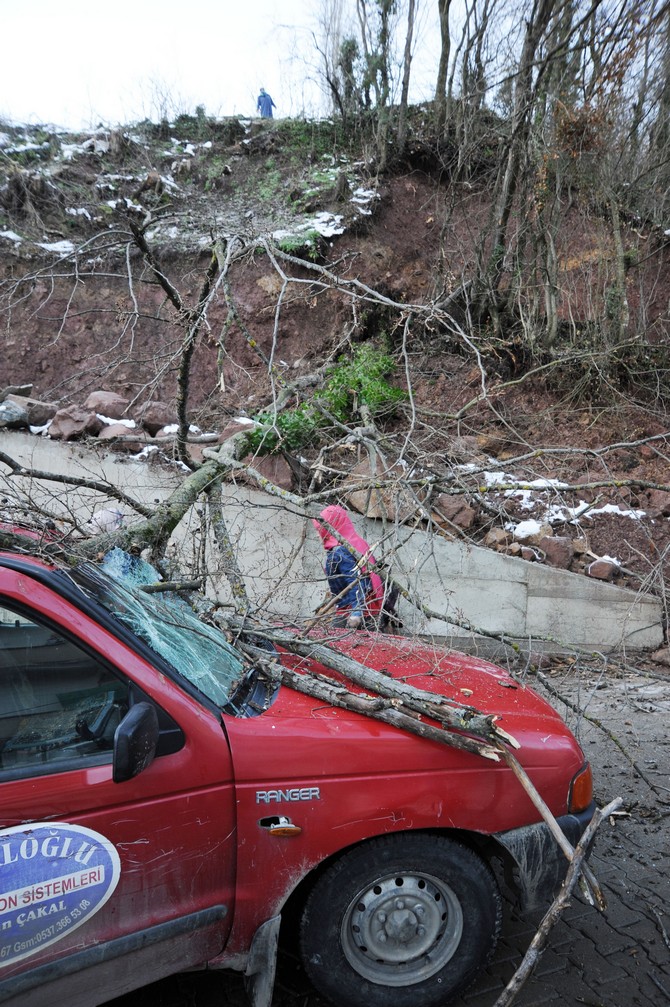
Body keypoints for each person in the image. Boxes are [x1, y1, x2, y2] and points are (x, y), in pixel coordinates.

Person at [313, 504, 396, 630]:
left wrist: (356, 612)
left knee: (336, 644)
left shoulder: (339, 552)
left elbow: (356, 581)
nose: (316, 534)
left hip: (354, 609)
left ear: (328, 529)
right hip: (369, 607)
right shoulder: (355, 543)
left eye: (318, 529)